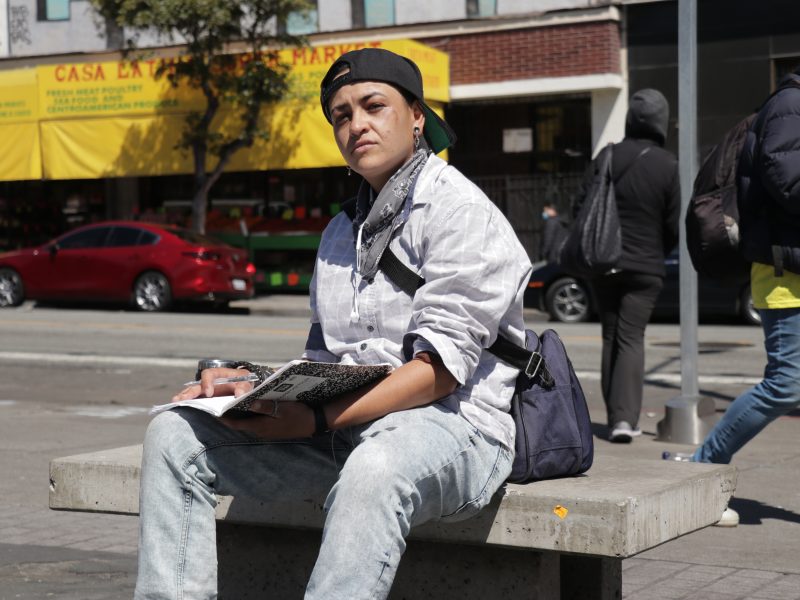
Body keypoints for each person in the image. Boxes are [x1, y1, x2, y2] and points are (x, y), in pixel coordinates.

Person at [134, 47, 532, 599]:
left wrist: (314, 419)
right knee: (175, 435)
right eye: (341, 115)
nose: (357, 125)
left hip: (455, 429)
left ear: (417, 116)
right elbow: (326, 364)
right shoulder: (341, 232)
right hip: (345, 427)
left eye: (374, 105)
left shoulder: (458, 209)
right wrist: (248, 385)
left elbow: (438, 373)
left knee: (377, 466)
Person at [664, 70, 800, 527]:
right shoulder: (790, 105)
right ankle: (704, 466)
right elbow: (786, 179)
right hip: (785, 275)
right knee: (786, 384)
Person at [577, 89, 680, 443]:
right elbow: (673, 224)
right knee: (631, 337)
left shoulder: (606, 156)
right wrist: (658, 252)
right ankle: (625, 419)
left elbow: (581, 205)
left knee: (610, 335)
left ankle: (614, 419)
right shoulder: (668, 164)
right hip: (646, 265)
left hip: (604, 262)